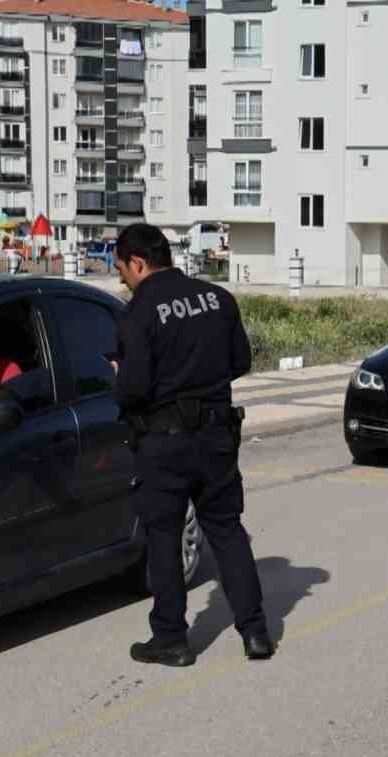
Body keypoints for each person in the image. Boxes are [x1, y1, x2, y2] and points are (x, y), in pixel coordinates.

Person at [112, 223, 272, 668]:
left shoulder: (139, 312)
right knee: (226, 529)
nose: (122, 279)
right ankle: (256, 632)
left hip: (164, 443)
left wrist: (120, 377)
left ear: (138, 263)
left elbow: (133, 390)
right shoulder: (217, 298)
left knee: (163, 537)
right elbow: (240, 361)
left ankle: (171, 640)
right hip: (217, 434)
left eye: (122, 269)